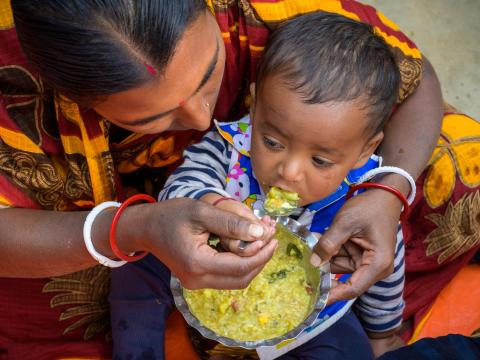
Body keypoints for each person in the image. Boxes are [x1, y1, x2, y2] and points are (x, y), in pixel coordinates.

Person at [1, 0, 478, 358]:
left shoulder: (358, 186)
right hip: (150, 235)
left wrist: (391, 192)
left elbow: (382, 271)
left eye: (208, 75)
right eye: (156, 114)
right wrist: (147, 224)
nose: (204, 117)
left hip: (312, 302)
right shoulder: (231, 146)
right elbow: (189, 179)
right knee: (123, 283)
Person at [146, 12, 403, 359]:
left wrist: (383, 331)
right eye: (272, 142)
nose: (290, 171)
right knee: (137, 266)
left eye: (320, 161)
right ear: (255, 107)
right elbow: (178, 188)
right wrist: (214, 205)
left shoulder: (366, 202)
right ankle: (138, 350)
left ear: (364, 151)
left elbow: (383, 264)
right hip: (200, 272)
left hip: (310, 320)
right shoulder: (229, 147)